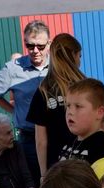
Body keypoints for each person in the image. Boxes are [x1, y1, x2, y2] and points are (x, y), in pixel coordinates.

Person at [0, 20, 51, 188]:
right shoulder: (13, 68)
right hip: (30, 140)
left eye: (40, 46)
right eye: (30, 46)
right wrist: (13, 110)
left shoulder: (57, 65)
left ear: (49, 44)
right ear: (25, 43)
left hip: (56, 137)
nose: (35, 51)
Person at [26, 33, 85, 180]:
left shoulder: (44, 90)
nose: (80, 61)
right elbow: (101, 126)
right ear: (73, 55)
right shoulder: (87, 88)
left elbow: (41, 141)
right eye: (80, 56)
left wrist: (43, 174)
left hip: (57, 167)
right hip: (86, 161)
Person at [59, 78, 104, 165]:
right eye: (68, 106)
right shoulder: (69, 140)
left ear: (99, 112)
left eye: (78, 106)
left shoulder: (103, 147)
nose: (70, 112)